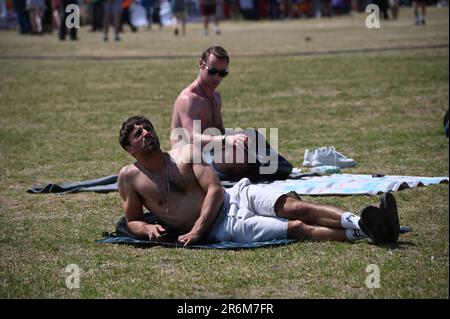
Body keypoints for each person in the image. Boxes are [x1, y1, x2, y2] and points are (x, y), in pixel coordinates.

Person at [118, 116, 400, 246]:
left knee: (295, 207)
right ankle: (368, 231)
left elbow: (215, 190)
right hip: (224, 226)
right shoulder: (129, 178)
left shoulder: (185, 154)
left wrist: (196, 231)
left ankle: (360, 222)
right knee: (299, 228)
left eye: (148, 128)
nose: (146, 133)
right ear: (130, 149)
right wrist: (145, 228)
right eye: (138, 134)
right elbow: (131, 220)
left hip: (234, 197)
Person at [170, 46, 293, 181]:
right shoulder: (189, 99)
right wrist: (226, 140)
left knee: (252, 135)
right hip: (191, 161)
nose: (217, 77)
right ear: (201, 64)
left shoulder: (216, 97)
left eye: (222, 73)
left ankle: (262, 164)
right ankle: (262, 166)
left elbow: (219, 131)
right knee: (236, 154)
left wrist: (239, 137)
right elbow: (192, 138)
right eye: (212, 71)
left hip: (211, 152)